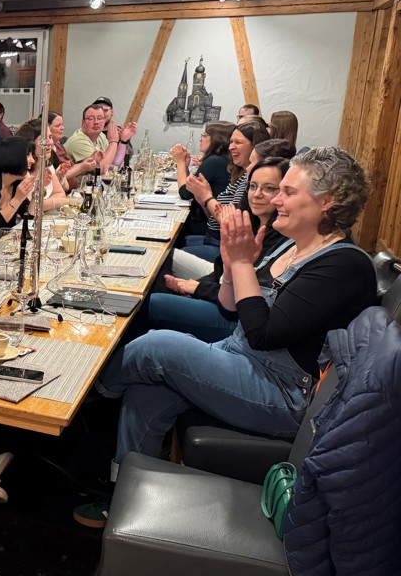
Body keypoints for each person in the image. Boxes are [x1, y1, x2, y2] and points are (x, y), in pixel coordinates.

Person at [75, 147, 377, 528]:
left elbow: (263, 333)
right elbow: (231, 307)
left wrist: (241, 262)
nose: (277, 200)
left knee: (157, 346)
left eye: (288, 192)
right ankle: (123, 499)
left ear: (327, 202)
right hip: (241, 357)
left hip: (282, 393)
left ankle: (89, 397)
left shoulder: (343, 264)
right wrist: (235, 265)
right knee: (146, 393)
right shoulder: (292, 246)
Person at [153, 157, 290, 343]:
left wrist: (198, 288)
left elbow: (244, 295)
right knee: (160, 258)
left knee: (152, 305)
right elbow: (224, 270)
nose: (257, 194)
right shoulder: (251, 220)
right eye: (253, 186)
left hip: (234, 320)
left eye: (268, 188)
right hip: (219, 285)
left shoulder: (279, 235)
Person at [179, 119, 270, 262]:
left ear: (255, 147)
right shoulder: (239, 173)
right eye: (231, 142)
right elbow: (213, 217)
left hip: (225, 247)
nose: (231, 147)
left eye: (238, 143)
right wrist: (203, 200)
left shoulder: (251, 181)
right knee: (171, 241)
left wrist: (207, 197)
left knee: (165, 257)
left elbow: (231, 222)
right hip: (214, 237)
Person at [171, 121, 233, 237]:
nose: (200, 139)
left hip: (210, 226)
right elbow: (193, 186)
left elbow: (185, 193)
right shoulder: (221, 159)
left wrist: (179, 162)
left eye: (204, 136)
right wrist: (185, 166)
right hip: (210, 219)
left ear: (217, 140)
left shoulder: (214, 161)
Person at [16, 115, 97, 196]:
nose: (49, 143)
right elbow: (32, 205)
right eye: (43, 139)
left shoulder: (47, 162)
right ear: (30, 142)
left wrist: (61, 178)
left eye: (50, 137)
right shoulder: (22, 171)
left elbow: (61, 193)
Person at [63, 104, 134, 173]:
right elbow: (101, 169)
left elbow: (115, 162)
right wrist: (113, 142)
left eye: (99, 118)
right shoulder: (78, 141)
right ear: (83, 122)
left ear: (104, 122)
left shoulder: (100, 136)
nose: (96, 122)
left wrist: (123, 141)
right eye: (91, 119)